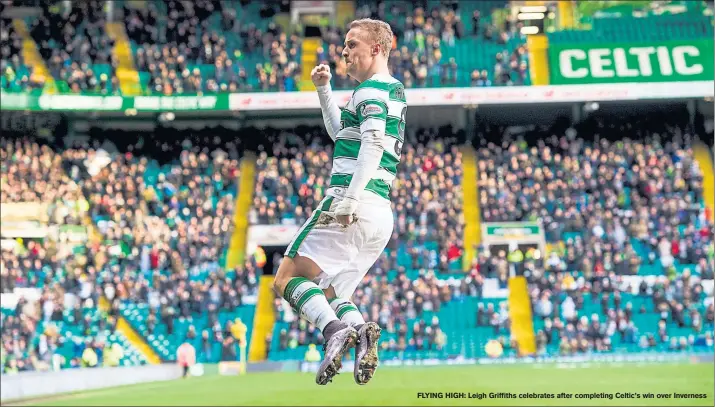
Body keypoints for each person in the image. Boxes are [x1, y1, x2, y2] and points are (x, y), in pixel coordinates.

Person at [272, 18, 406, 386]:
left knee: (285, 279)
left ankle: (333, 331)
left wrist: (349, 198)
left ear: (376, 49)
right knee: (332, 292)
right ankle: (361, 331)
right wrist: (324, 89)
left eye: (352, 45)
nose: (344, 51)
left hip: (353, 202)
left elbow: (373, 143)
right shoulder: (389, 91)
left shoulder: (370, 91)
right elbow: (341, 133)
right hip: (380, 213)